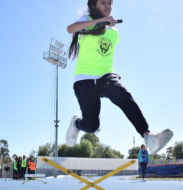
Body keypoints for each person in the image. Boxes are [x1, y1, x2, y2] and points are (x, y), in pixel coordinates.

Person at [64, 0, 172, 154]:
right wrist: (100, 22)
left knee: (121, 93)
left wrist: (105, 24)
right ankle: (76, 124)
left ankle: (149, 137)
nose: (108, 5)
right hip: (84, 79)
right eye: (103, 3)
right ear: (94, 6)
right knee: (92, 126)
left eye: (110, 3)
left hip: (106, 76)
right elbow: (70, 29)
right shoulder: (87, 21)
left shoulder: (114, 32)